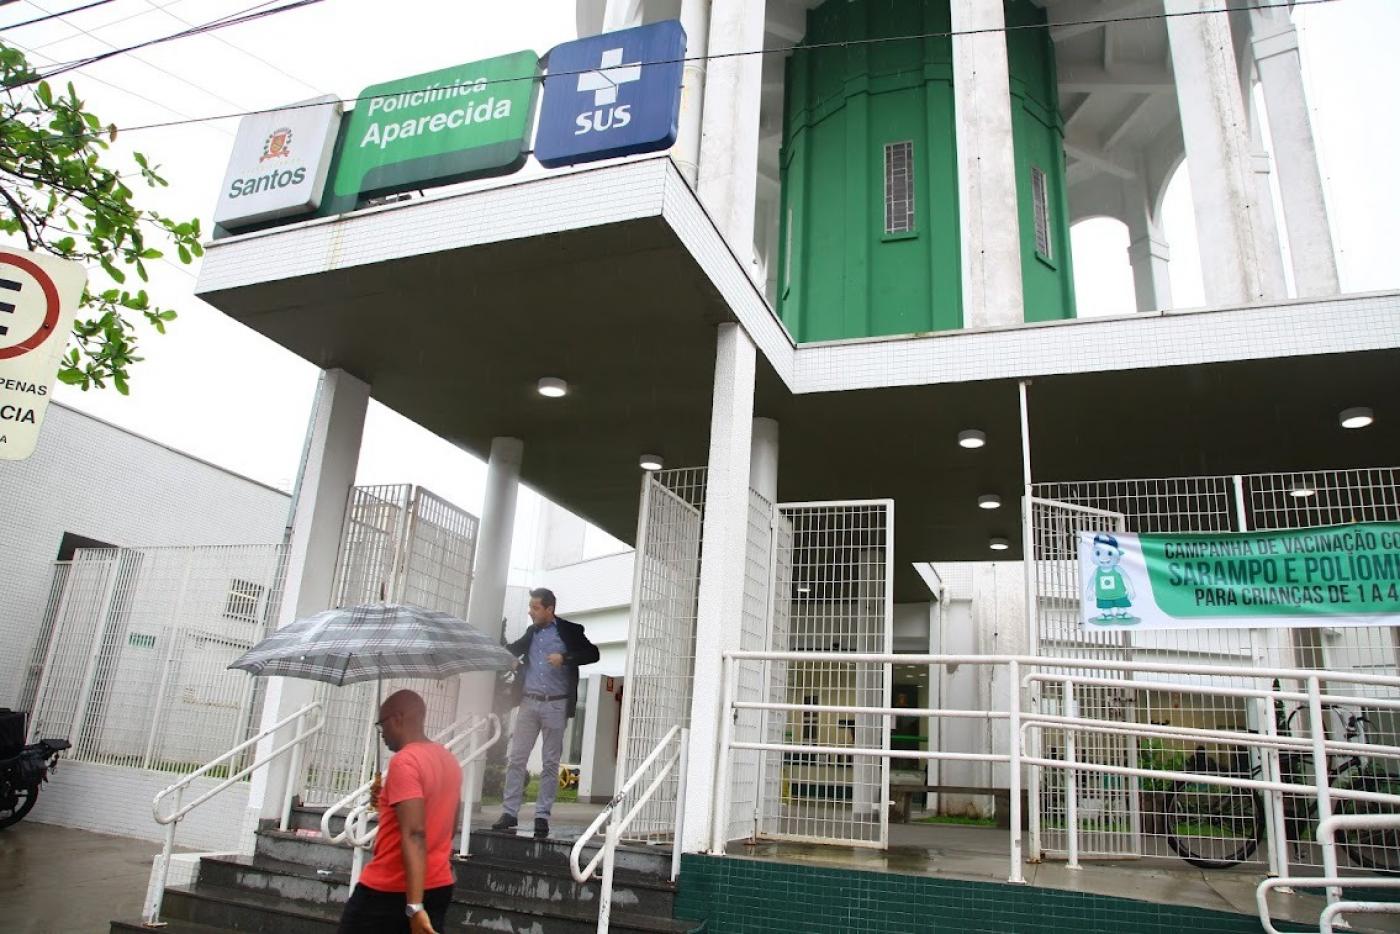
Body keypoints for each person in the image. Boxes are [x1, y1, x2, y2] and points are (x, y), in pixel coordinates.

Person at [338, 689, 460, 934]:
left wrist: (414, 907)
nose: (382, 734)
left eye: (381, 724)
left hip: (392, 889)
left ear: (397, 718)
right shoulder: (448, 760)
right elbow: (450, 825)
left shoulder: (405, 761)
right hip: (438, 883)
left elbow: (415, 833)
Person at [492, 587, 599, 839]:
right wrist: (510, 659)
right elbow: (513, 649)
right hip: (529, 703)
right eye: (530, 607)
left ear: (549, 609)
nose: (530, 612)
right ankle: (509, 813)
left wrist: (565, 656)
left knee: (550, 764)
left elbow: (592, 653)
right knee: (517, 759)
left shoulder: (571, 631)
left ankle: (542, 816)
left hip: (556, 705)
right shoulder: (532, 632)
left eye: (535, 608)